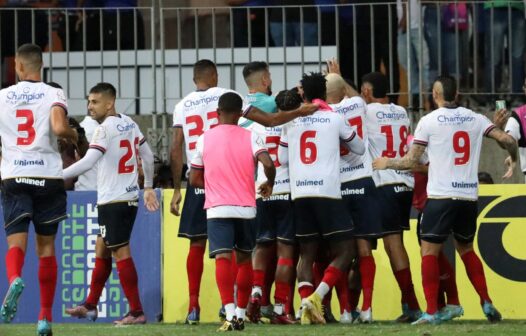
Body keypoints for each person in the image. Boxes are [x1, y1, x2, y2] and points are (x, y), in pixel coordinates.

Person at [170, 59, 317, 324]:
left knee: (200, 245)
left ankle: (196, 306)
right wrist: (300, 112)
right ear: (215, 75)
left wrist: (177, 190)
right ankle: (244, 307)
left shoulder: (184, 108)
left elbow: (176, 148)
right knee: (246, 254)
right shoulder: (238, 109)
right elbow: (271, 123)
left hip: (205, 181)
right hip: (243, 191)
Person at [373, 75, 517, 324]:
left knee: (428, 251)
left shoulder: (428, 121)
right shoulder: (476, 118)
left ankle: (431, 311)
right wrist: (514, 159)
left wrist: (386, 163)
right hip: (468, 197)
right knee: (467, 249)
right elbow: (507, 140)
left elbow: (409, 161)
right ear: (458, 94)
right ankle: (486, 301)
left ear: (435, 95)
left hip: (440, 196)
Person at [63, 82, 159, 325]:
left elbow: (87, 162)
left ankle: (136, 311)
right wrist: (147, 186)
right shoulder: (129, 122)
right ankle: (91, 305)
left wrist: (56, 175)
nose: (89, 106)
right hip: (125, 198)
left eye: (95, 102)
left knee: (119, 250)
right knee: (102, 247)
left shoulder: (104, 129)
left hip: (114, 200)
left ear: (110, 103)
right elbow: (147, 156)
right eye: (89, 101)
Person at [0, 43, 78, 336]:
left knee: (15, 245)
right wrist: (72, 134)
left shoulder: (2, 97)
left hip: (15, 176)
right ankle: (44, 318)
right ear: (40, 66)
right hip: (47, 176)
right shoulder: (53, 93)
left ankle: (14, 278)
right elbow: (59, 128)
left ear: (17, 66)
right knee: (46, 249)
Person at [278, 72, 365, 325]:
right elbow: (359, 148)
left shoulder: (290, 121)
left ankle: (307, 306)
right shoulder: (334, 118)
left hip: (301, 193)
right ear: (325, 94)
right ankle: (317, 296)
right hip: (327, 193)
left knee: (307, 254)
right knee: (346, 250)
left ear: (303, 94)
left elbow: (282, 159)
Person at [189, 92, 276, 332]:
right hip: (246, 208)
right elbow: (268, 164)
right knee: (245, 258)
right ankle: (240, 313)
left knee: (223, 258)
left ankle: (228, 314)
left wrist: (214, 184)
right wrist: (269, 183)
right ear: (240, 114)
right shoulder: (252, 136)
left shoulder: (204, 138)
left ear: (217, 112)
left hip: (218, 208)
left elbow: (194, 177)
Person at [361, 72, 422, 323]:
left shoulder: (368, 112)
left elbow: (354, 100)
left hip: (385, 182)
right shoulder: (401, 112)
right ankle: (410, 302)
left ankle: (412, 304)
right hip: (405, 183)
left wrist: (338, 78)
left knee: (392, 244)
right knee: (393, 242)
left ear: (367, 92)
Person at [325, 72, 382, 323]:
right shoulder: (357, 104)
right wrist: (339, 74)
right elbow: (355, 94)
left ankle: (345, 310)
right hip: (362, 181)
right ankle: (367, 308)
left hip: (337, 186)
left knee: (341, 252)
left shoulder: (323, 115)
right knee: (364, 249)